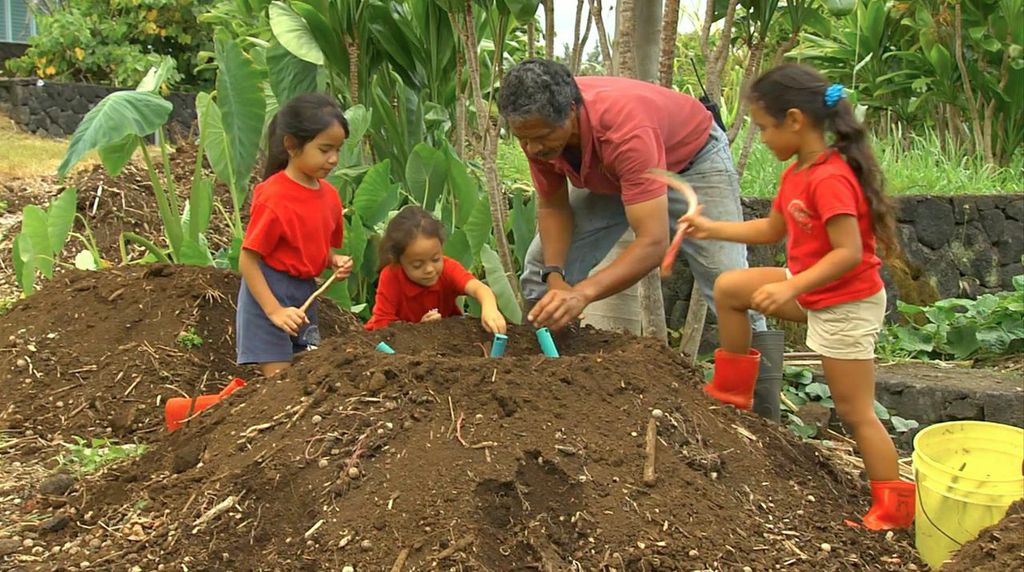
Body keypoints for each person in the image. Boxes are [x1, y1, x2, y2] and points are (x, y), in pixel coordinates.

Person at [682, 63, 913, 530]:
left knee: (855, 412)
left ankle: (894, 511)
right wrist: (711, 227)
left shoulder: (830, 178)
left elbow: (849, 253)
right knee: (730, 288)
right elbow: (771, 229)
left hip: (845, 303)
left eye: (764, 128)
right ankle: (731, 391)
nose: (762, 138)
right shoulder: (796, 174)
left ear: (794, 120)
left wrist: (791, 286)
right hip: (813, 288)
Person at [496, 58, 765, 336]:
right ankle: (545, 368)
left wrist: (583, 293)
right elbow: (554, 206)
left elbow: (653, 242)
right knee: (541, 267)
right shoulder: (538, 134)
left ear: (571, 111)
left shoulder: (624, 132)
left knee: (729, 281)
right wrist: (555, 278)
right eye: (522, 139)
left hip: (693, 163)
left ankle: (763, 376)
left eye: (541, 136)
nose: (532, 148)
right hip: (616, 173)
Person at [236, 93, 354, 378]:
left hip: (304, 293)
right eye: (325, 149)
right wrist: (275, 311)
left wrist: (333, 260)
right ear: (291, 145)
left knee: (305, 374)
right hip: (268, 293)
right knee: (280, 382)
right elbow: (248, 260)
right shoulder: (274, 197)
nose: (334, 159)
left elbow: (312, 247)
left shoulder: (330, 197)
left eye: (338, 149)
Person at [365, 205, 507, 334]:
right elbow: (382, 326)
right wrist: (419, 329)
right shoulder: (392, 276)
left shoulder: (448, 268)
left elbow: (479, 288)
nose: (429, 269)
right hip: (394, 346)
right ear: (399, 261)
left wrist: (490, 309)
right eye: (417, 265)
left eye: (435, 259)